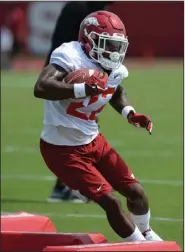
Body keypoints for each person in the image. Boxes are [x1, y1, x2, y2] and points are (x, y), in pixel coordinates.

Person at [34, 10, 162, 241]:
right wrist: (80, 89)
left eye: (117, 46)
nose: (114, 52)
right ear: (88, 40)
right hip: (63, 149)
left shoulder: (115, 69)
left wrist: (129, 112)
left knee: (136, 193)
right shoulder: (70, 55)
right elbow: (41, 87)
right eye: (108, 45)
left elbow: (115, 90)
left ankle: (147, 233)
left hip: (94, 140)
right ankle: (138, 245)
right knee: (111, 202)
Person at [45, 1, 114, 203]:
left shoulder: (96, 11)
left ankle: (66, 186)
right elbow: (64, 46)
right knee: (76, 130)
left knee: (84, 128)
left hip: (83, 76)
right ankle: (70, 185)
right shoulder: (78, 8)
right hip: (66, 75)